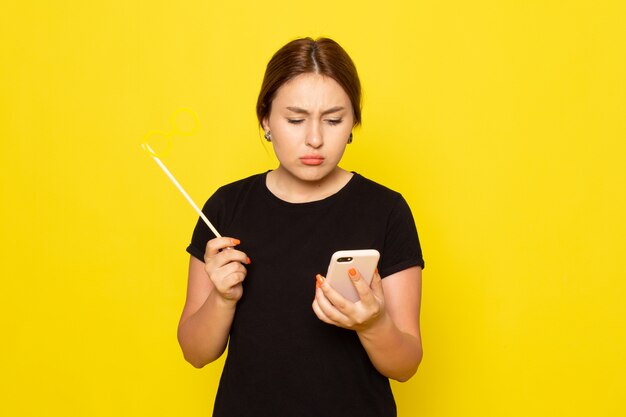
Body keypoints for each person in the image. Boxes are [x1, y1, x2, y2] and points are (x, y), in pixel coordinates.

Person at [177, 37, 425, 417]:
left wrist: (373, 323)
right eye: (295, 119)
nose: (314, 139)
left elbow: (405, 366)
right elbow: (195, 353)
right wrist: (222, 298)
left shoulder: (386, 210)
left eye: (333, 120)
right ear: (266, 120)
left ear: (353, 123)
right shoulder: (226, 208)